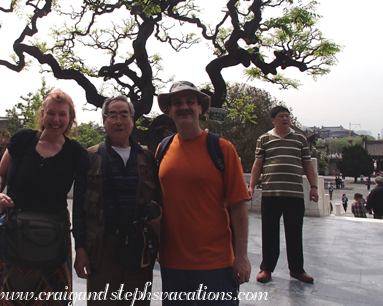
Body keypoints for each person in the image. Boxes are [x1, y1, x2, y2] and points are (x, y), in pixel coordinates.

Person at [0, 89, 88, 306]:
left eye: (62, 114)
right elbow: (0, 174)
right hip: (13, 232)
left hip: (53, 238)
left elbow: (84, 198)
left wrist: (82, 246)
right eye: (51, 113)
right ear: (42, 114)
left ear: (70, 118)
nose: (56, 119)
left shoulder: (75, 153)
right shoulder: (22, 140)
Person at [156, 81, 251, 305]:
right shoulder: (163, 149)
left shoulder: (222, 149)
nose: (184, 107)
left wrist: (241, 255)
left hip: (215, 265)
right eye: (177, 103)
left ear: (201, 108)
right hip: (172, 264)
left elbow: (238, 206)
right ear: (169, 111)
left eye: (190, 101)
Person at [72, 96, 161, 306]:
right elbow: (78, 208)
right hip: (101, 248)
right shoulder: (90, 157)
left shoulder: (148, 158)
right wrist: (80, 249)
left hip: (138, 247)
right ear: (104, 121)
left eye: (124, 115)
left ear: (132, 120)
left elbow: (159, 197)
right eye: (112, 115)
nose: (118, 121)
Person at [249, 106, 318, 284]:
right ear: (273, 120)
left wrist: (314, 186)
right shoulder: (264, 139)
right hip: (271, 192)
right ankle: (266, 269)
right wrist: (251, 187)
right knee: (269, 231)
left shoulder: (300, 139)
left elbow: (307, 164)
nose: (285, 119)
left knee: (294, 232)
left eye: (287, 116)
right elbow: (258, 164)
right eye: (281, 116)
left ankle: (297, 269)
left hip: (294, 193)